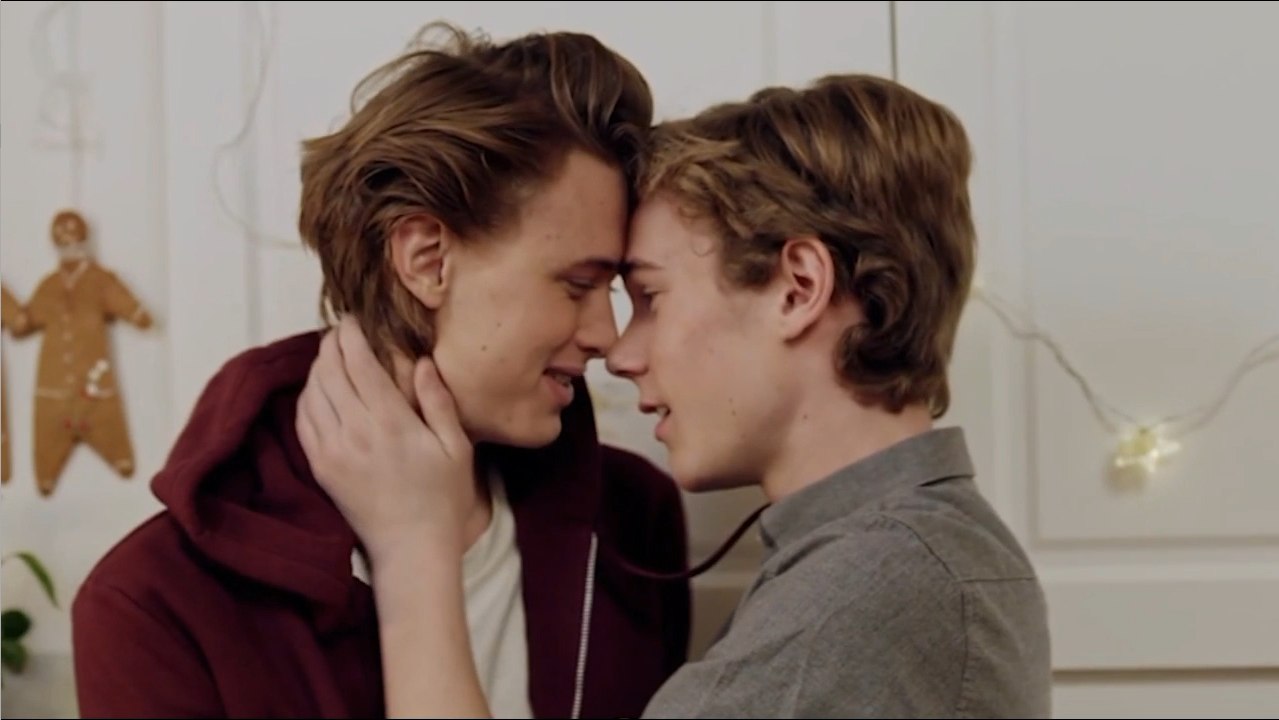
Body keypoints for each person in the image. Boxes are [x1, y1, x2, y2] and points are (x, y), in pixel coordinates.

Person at [300, 72, 1053, 718]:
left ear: (797, 288)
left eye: (650, 297)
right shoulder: (922, 559)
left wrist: (414, 549)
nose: (620, 352)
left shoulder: (868, 595)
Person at [70, 22, 692, 719]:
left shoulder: (634, 523)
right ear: (427, 259)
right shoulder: (153, 606)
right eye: (577, 286)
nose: (607, 336)